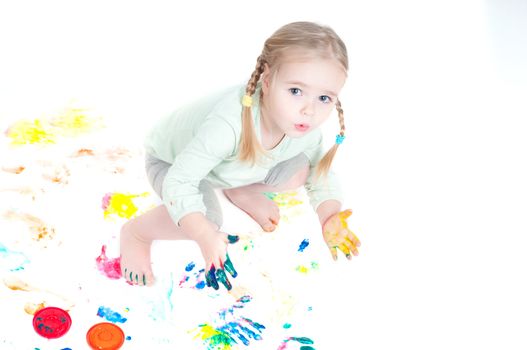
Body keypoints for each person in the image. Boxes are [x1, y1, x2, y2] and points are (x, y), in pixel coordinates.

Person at [119, 21, 361, 289]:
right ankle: (137, 233)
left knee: (301, 170)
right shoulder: (227, 125)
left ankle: (241, 190)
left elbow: (319, 171)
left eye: (324, 98)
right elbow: (179, 181)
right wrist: (204, 234)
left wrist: (329, 215)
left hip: (228, 166)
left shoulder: (303, 128)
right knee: (207, 219)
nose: (309, 110)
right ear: (267, 81)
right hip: (171, 162)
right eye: (295, 91)